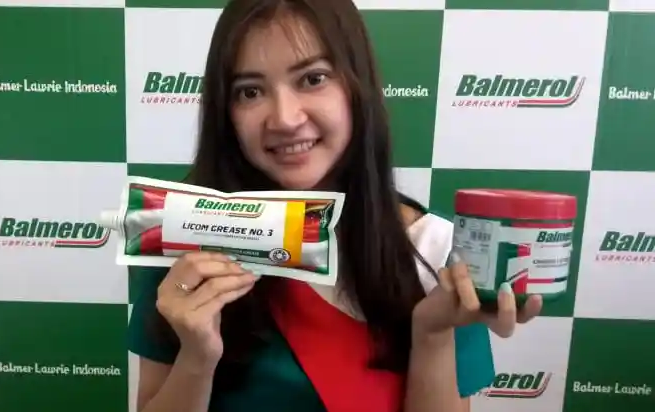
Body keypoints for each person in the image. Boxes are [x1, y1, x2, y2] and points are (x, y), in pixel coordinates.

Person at [127, 0, 543, 411]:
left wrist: (432, 335)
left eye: (313, 79)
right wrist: (196, 359)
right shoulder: (186, 239)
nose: (285, 118)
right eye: (250, 91)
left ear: (357, 86)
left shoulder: (434, 251)